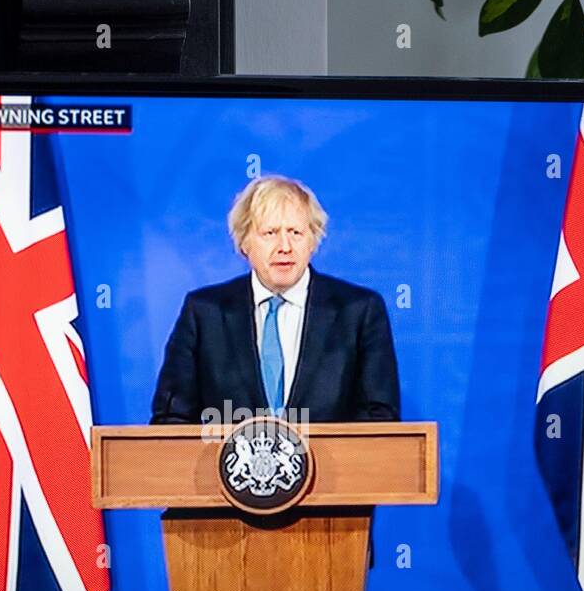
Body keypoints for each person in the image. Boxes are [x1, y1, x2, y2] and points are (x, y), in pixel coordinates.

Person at [150, 175, 400, 424]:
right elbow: (171, 421)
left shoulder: (358, 311)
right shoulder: (205, 313)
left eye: (295, 232)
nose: (285, 246)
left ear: (313, 241)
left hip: (335, 464)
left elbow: (380, 419)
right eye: (270, 233)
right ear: (244, 241)